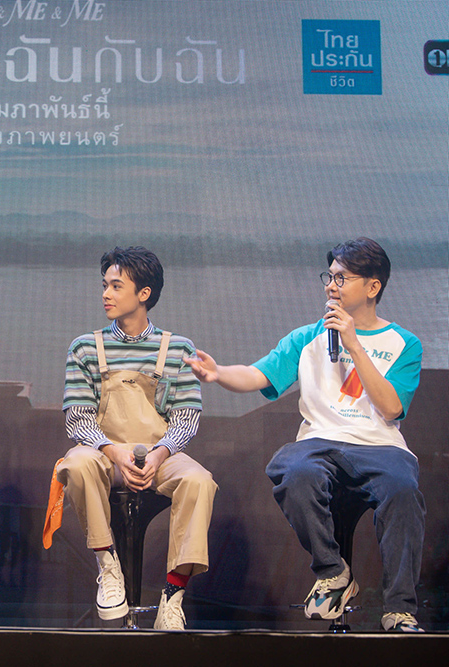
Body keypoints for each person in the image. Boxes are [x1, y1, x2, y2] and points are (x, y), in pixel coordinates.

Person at [185, 238, 425, 632]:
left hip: (379, 445)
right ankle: (333, 572)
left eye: (342, 278)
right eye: (328, 277)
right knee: (292, 470)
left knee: (403, 490)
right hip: (320, 441)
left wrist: (354, 345)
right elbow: (258, 374)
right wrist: (219, 373)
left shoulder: (404, 344)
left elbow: (391, 407)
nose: (331, 286)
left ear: (373, 286)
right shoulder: (307, 337)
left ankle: (399, 608)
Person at [46, 246, 216, 630]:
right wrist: (113, 451)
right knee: (75, 463)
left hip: (159, 454)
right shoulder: (85, 347)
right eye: (104, 285)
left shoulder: (178, 348)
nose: (105, 294)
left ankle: (173, 594)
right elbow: (78, 418)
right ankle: (108, 566)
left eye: (116, 286)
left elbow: (186, 419)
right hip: (105, 454)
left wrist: (158, 455)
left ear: (144, 293)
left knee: (199, 481)